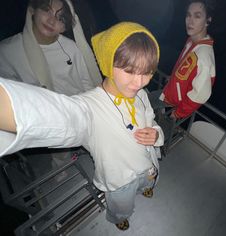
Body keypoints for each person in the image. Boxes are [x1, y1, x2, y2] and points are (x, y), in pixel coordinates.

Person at [0, 22, 164, 230]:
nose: (139, 82)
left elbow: (152, 122)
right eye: (130, 70)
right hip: (119, 182)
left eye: (147, 72)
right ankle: (119, 217)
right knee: (121, 206)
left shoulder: (141, 94)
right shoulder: (88, 107)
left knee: (149, 182)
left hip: (148, 165)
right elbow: (56, 115)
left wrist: (157, 135)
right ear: (107, 61)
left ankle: (147, 187)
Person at [0, 0, 102, 95]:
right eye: (46, 10)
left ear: (65, 27)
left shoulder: (71, 48)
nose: (51, 21)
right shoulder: (7, 52)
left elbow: (87, 84)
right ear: (33, 10)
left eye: (60, 18)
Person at [159, 0, 216, 119]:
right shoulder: (191, 41)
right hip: (168, 93)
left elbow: (200, 94)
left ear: (208, 20)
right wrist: (173, 78)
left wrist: (178, 113)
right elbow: (185, 69)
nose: (190, 21)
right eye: (188, 15)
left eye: (197, 16)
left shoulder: (204, 56)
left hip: (174, 106)